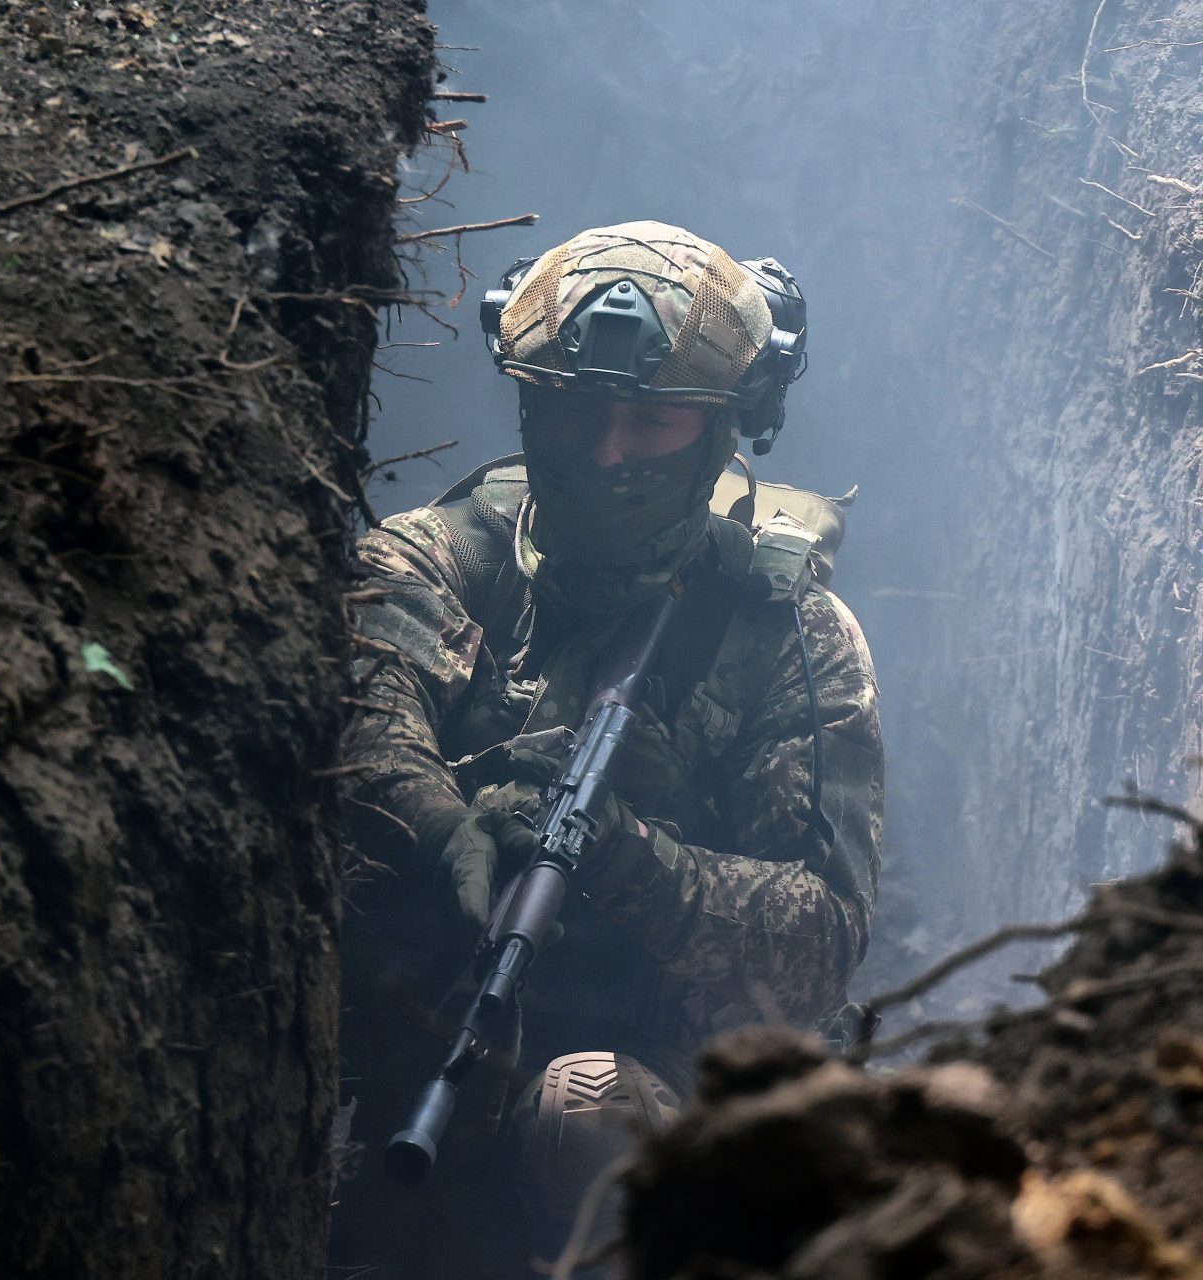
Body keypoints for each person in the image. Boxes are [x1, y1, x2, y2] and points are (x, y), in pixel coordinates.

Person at [330, 221, 883, 1276]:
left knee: (588, 1110)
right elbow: (368, 702)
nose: (609, 452)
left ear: (725, 429)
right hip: (421, 1054)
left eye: (652, 421)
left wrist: (618, 852)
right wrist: (448, 825)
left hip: (660, 1088)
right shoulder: (442, 556)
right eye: (579, 412)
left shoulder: (787, 635)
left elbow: (820, 941)